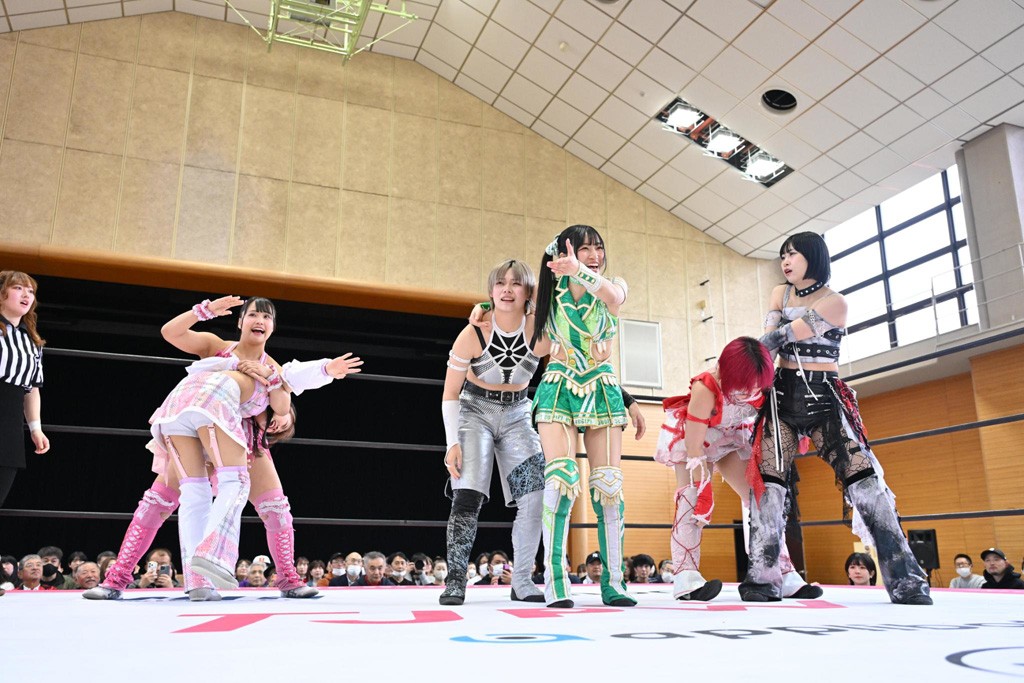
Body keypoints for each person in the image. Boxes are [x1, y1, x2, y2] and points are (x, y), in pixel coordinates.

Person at [85, 295, 361, 601]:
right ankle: (116, 579)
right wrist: (204, 311)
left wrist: (285, 394)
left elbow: (282, 408)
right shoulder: (217, 346)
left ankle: (287, 579)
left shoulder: (272, 366)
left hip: (242, 440)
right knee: (157, 503)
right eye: (253, 314)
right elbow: (170, 332)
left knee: (276, 509)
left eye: (267, 317)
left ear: (273, 327)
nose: (260, 320)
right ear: (240, 321)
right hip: (198, 426)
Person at [741, 232, 931, 605]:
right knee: (768, 487)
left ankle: (906, 579)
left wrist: (745, 351)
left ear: (813, 256)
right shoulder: (780, 293)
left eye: (793, 254)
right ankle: (761, 579)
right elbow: (770, 343)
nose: (786, 261)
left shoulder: (835, 302)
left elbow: (778, 337)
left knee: (866, 484)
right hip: (782, 398)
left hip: (825, 398)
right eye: (783, 255)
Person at [654, 337, 822, 601]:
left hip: (732, 437)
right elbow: (695, 446)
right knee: (692, 499)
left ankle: (781, 571)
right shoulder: (705, 387)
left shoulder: (762, 381)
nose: (751, 390)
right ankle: (686, 578)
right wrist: (705, 488)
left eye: (756, 385)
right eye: (745, 386)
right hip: (697, 441)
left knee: (761, 497)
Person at [529, 225, 635, 609]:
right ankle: (556, 582)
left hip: (602, 387)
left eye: (598, 248)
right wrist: (534, 303)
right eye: (584, 248)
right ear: (561, 254)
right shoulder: (550, 294)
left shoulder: (613, 285)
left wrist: (578, 272)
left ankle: (614, 582)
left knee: (608, 485)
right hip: (558, 383)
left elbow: (613, 296)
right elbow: (537, 346)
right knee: (560, 479)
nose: (594, 255)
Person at [440, 260, 550, 605]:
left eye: (516, 284)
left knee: (536, 495)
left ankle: (522, 580)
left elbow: (575, 341)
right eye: (500, 283)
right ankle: (455, 580)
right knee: (467, 495)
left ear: (528, 291)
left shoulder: (542, 331)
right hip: (474, 411)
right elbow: (450, 392)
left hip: (519, 413)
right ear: (490, 291)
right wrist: (452, 443)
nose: (507, 289)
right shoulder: (474, 332)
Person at [0, 271, 50, 508]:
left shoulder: (32, 341)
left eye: (30, 291)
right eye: (18, 288)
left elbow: (32, 388)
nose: (26, 295)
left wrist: (35, 428)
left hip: (9, 425)